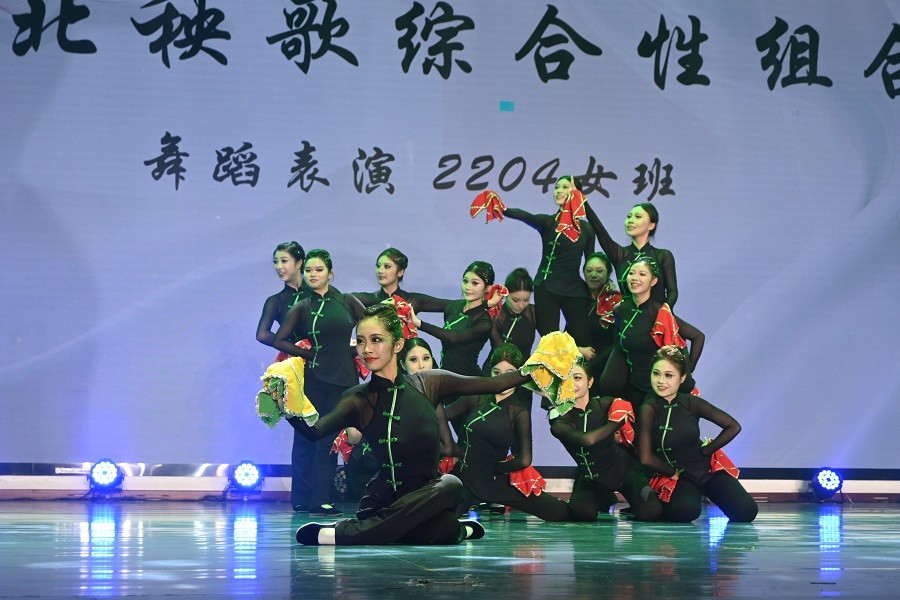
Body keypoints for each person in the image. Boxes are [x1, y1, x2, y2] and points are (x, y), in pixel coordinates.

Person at [289, 304, 537, 546]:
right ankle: (354, 532)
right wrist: (286, 404)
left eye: (376, 340)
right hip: (380, 502)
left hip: (427, 498)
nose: (367, 349)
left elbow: (494, 384)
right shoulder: (357, 398)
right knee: (447, 528)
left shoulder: (429, 383)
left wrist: (541, 365)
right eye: (361, 341)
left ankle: (356, 531)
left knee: (451, 486)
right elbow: (314, 432)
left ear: (398, 344)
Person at [274, 249, 365, 517]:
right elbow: (279, 340)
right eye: (309, 271)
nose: (313, 275)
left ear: (330, 273)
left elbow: (371, 326)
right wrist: (308, 354)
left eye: (319, 270)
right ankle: (303, 500)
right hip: (314, 380)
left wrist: (355, 349)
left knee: (329, 439)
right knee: (306, 438)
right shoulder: (303, 305)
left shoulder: (347, 301)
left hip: (344, 380)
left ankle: (321, 500)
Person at [446, 344, 573, 521]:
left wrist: (497, 468)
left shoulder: (518, 412)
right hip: (463, 480)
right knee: (441, 522)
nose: (502, 378)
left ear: (518, 376)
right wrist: (451, 448)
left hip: (494, 482)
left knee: (562, 513)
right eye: (496, 372)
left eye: (509, 373)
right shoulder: (475, 396)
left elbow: (525, 459)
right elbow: (440, 416)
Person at [638, 346, 758, 523]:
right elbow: (645, 457)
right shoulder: (648, 408)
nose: (661, 381)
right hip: (679, 477)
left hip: (706, 470)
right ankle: (653, 504)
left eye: (669, 375)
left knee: (747, 512)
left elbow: (733, 426)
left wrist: (707, 450)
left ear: (682, 378)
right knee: (686, 512)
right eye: (656, 374)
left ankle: (709, 493)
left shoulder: (692, 403)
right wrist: (671, 472)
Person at [549, 359, 661, 522]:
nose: (571, 383)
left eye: (577, 378)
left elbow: (623, 404)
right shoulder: (559, 419)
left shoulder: (605, 404)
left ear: (590, 382)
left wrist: (622, 412)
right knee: (582, 514)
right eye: (566, 379)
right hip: (592, 479)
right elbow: (588, 440)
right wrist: (615, 424)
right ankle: (604, 498)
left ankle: (629, 500)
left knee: (651, 512)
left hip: (626, 473)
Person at [338, 337, 438, 501]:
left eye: (426, 358)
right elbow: (354, 437)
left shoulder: (434, 392)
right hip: (372, 471)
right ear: (402, 364)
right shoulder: (386, 390)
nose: (421, 366)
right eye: (413, 360)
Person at [598, 255, 703, 407]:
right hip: (635, 385)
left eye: (642, 274)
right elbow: (620, 344)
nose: (635, 278)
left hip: (660, 389)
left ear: (653, 281)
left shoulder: (660, 312)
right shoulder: (620, 309)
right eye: (631, 273)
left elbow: (698, 336)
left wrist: (686, 371)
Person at [503, 176, 595, 347]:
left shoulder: (587, 229)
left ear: (577, 193)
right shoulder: (548, 222)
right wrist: (503, 209)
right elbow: (525, 216)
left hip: (574, 289)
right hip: (546, 288)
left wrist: (598, 288)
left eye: (565, 187)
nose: (559, 191)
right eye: (557, 187)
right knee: (550, 342)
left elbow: (590, 262)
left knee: (584, 341)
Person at [407, 261, 495, 378]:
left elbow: (454, 338)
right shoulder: (454, 306)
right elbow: (421, 301)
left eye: (475, 283)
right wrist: (401, 304)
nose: (468, 287)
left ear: (487, 288)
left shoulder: (484, 322)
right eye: (465, 281)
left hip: (469, 382)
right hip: (446, 378)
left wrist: (419, 324)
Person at [582, 200, 678, 307]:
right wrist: (581, 200)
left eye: (638, 217)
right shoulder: (620, 254)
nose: (631, 220)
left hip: (659, 315)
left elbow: (672, 292)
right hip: (627, 315)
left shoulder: (663, 255)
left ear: (651, 225)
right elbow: (599, 229)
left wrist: (664, 312)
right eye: (629, 217)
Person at [352, 247, 449, 313]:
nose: (380, 271)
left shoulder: (413, 300)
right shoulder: (365, 299)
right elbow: (342, 299)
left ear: (400, 272)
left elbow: (453, 306)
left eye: (387, 266)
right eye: (378, 266)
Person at [579, 252, 622, 393]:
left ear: (608, 273)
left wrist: (591, 366)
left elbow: (619, 344)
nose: (593, 275)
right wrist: (578, 349)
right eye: (589, 271)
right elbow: (566, 336)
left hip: (608, 368)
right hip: (578, 368)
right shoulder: (576, 300)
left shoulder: (618, 302)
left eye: (599, 271)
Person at [255, 242, 308, 350]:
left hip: (329, 355)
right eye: (275, 262)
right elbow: (262, 334)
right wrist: (296, 349)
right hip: (298, 358)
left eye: (284, 261)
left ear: (299, 263)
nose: (278, 267)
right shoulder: (275, 301)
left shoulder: (319, 292)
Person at [489, 268, 539, 361]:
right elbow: (502, 354)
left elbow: (552, 338)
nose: (520, 306)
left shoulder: (533, 313)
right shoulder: (495, 316)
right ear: (506, 294)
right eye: (515, 300)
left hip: (524, 368)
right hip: (497, 367)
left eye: (526, 300)